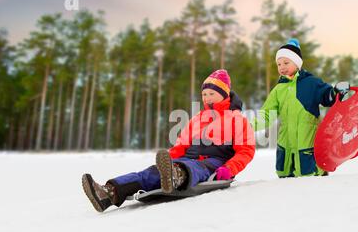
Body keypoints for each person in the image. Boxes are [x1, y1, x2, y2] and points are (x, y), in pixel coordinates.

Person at [82, 69, 256, 212]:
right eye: (203, 94)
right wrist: (169, 158)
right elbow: (182, 144)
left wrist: (229, 168)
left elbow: (246, 151)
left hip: (214, 163)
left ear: (224, 94)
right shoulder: (197, 118)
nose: (206, 98)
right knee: (150, 173)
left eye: (211, 93)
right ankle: (108, 192)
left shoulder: (237, 119)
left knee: (195, 168)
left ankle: (177, 175)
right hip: (188, 158)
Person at [252, 39, 349, 178]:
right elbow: (267, 114)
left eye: (286, 62)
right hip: (286, 148)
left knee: (309, 182)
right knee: (287, 185)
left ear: (297, 63)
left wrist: (337, 92)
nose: (282, 67)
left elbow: (328, 97)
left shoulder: (311, 83)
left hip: (307, 145)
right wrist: (247, 127)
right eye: (279, 64)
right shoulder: (278, 89)